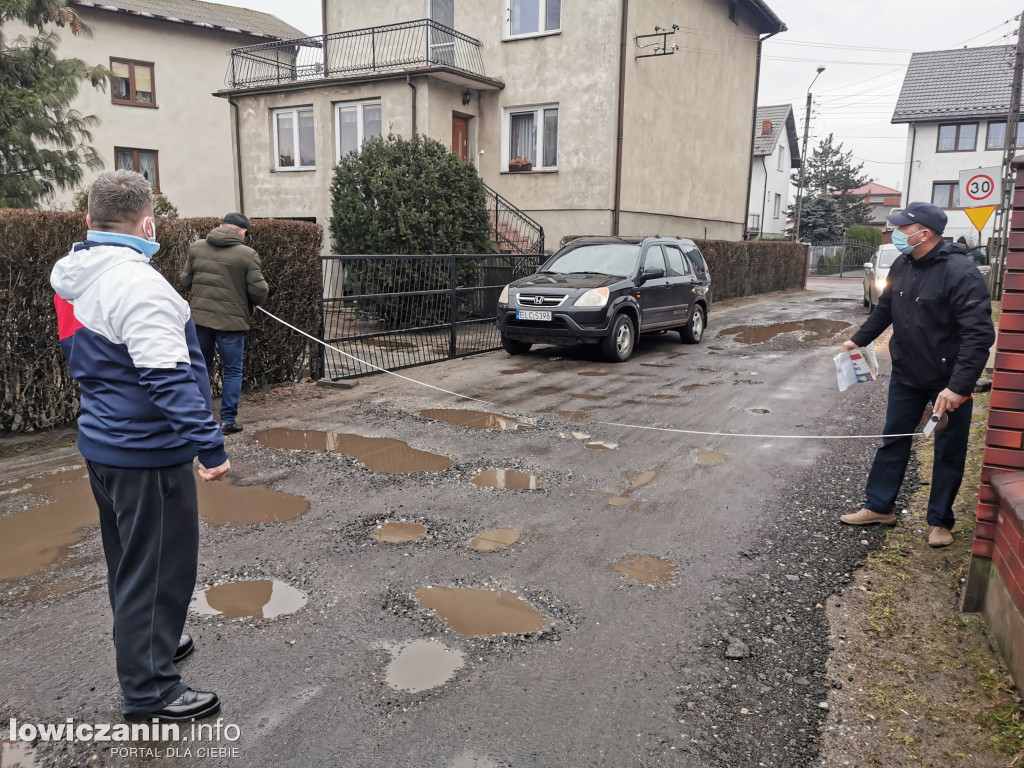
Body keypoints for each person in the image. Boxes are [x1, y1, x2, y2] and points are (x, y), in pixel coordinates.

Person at [51, 170, 228, 722]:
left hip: (105, 445)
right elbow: (166, 376)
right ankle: (150, 690)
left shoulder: (76, 277)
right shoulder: (137, 284)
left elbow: (85, 356)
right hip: (148, 452)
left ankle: (155, 637)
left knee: (131, 560)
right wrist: (210, 446)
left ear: (89, 222)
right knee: (158, 568)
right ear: (147, 222)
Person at [839, 202, 995, 548]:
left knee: (948, 451)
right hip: (907, 374)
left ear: (924, 233)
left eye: (901, 229)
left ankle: (940, 521)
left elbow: (979, 335)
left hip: (948, 383)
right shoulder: (902, 262)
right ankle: (879, 507)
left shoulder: (961, 272)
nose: (894, 234)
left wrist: (958, 387)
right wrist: (857, 340)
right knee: (892, 440)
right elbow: (885, 309)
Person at [180, 213, 268, 434]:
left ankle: (200, 418)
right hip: (232, 322)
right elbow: (259, 291)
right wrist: (251, 300)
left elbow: (185, 281)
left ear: (220, 226)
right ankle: (227, 421)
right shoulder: (247, 254)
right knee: (232, 371)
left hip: (200, 320)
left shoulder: (197, 247)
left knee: (200, 367)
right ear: (243, 231)